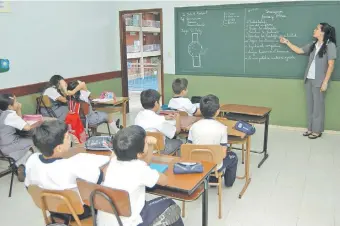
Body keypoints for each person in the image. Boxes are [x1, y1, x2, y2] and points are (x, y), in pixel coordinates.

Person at [25, 120, 110, 224]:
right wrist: (112, 159)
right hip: (78, 212)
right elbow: (99, 177)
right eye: (66, 137)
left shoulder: (31, 160)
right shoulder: (71, 165)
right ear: (59, 148)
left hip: (53, 210)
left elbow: (28, 186)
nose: (70, 137)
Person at [97, 125, 184, 226]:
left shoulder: (113, 161)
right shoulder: (140, 169)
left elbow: (144, 163)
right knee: (170, 204)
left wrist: (149, 146)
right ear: (139, 154)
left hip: (106, 221)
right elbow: (164, 181)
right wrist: (155, 172)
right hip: (128, 223)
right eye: (145, 142)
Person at [280, 23, 337, 139]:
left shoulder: (330, 46)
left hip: (319, 81)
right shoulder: (313, 45)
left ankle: (317, 130)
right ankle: (310, 128)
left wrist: (325, 82)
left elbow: (331, 65)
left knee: (318, 107)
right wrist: (287, 42)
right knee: (310, 105)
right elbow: (299, 51)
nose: (314, 30)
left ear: (323, 32)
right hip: (309, 80)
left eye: (316, 28)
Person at [188, 94, 238, 184]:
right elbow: (223, 154)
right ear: (217, 111)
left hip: (197, 164)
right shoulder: (222, 128)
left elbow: (188, 147)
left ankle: (209, 178)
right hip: (215, 166)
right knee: (233, 157)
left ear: (201, 111)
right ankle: (228, 183)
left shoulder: (193, 127)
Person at [135, 89, 182, 155]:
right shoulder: (160, 121)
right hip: (158, 150)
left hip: (141, 148)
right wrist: (178, 119)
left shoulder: (139, 115)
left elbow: (151, 120)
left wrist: (164, 117)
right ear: (156, 103)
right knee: (179, 142)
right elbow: (176, 132)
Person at [0, 94, 33, 182]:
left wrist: (17, 108)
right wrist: (19, 109)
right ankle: (18, 163)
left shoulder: (2, 112)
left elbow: (18, 121)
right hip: (9, 145)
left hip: (2, 146)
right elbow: (26, 127)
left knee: (27, 151)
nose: (18, 103)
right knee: (32, 140)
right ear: (10, 106)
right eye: (16, 102)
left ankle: (20, 164)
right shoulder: (10, 115)